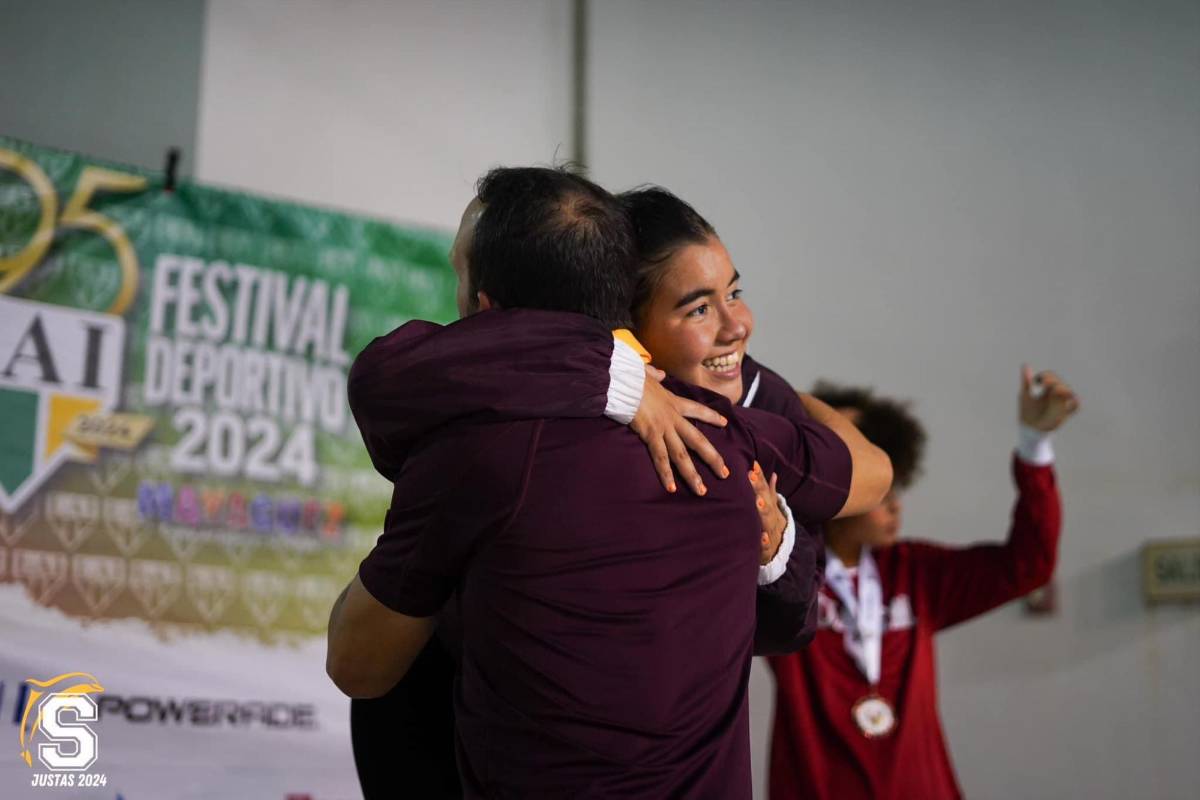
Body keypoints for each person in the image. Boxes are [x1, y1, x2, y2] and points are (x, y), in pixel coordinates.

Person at [327, 167, 872, 798]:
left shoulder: (472, 456)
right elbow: (862, 477)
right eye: (698, 305)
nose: (734, 325)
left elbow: (358, 667)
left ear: (486, 312)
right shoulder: (734, 437)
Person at [766, 372, 1079, 800]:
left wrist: (1034, 444)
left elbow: (1030, 564)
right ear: (833, 486)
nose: (894, 501)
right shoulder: (779, 573)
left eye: (893, 481)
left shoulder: (916, 573)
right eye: (873, 480)